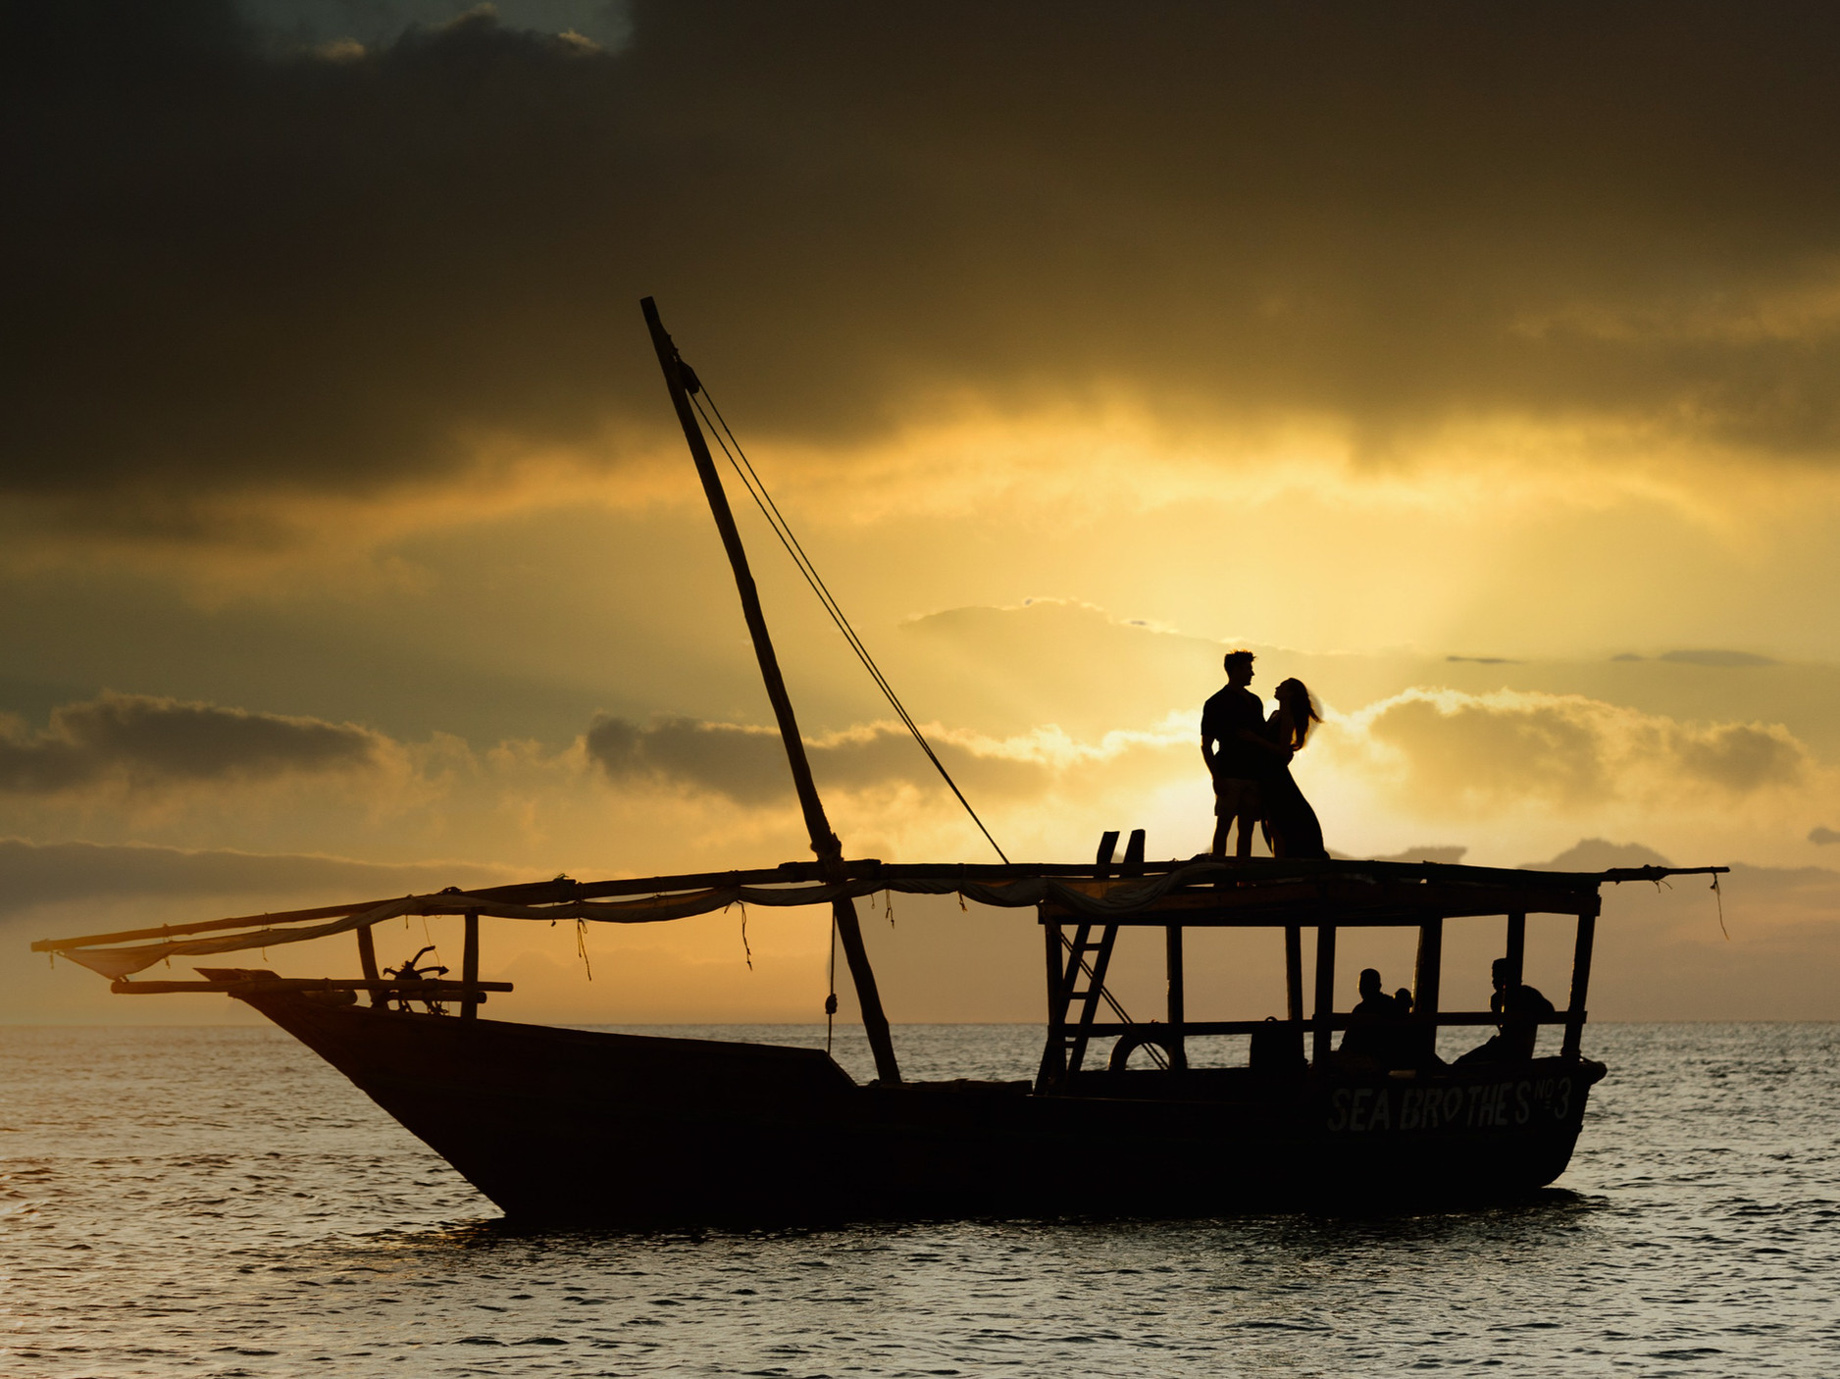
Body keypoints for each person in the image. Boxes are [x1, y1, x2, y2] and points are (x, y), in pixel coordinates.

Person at [1201, 651, 1287, 858]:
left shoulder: (1255, 701)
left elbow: (1261, 734)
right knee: (1224, 826)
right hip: (1229, 773)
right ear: (1236, 670)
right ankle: (1219, 873)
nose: (1252, 673)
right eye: (1248, 669)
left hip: (1253, 774)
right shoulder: (1216, 702)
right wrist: (1216, 777)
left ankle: (1242, 876)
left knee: (1247, 829)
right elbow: (1206, 745)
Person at [1259, 677, 1328, 859]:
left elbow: (1281, 750)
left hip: (1275, 776)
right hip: (1269, 774)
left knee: (1278, 823)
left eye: (1281, 686)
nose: (1276, 687)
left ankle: (1281, 862)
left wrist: (1254, 739)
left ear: (1289, 694)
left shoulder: (1287, 719)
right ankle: (1279, 861)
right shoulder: (1276, 715)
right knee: (1270, 822)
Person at [1457, 958, 1556, 1064]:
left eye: (1497, 977)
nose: (1493, 982)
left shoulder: (1528, 994)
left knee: (1463, 1063)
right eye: (1493, 977)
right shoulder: (1496, 999)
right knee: (1463, 1062)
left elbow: (1550, 1012)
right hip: (1504, 1047)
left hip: (1513, 1051)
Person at [1338, 968, 1406, 1062]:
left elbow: (1347, 1043)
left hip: (1370, 1058)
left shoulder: (1361, 1009)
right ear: (1379, 986)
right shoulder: (1391, 1004)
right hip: (1392, 1057)